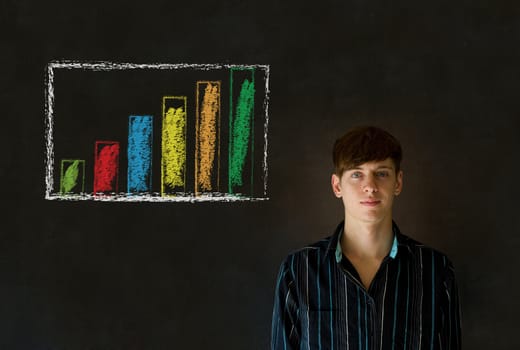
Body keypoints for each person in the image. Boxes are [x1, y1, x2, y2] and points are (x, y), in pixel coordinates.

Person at [271, 126, 461, 350]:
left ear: (398, 183)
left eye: (381, 173)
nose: (370, 186)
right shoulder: (298, 270)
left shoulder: (435, 271)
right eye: (356, 174)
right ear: (337, 185)